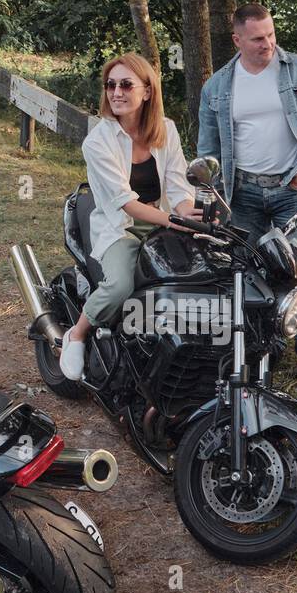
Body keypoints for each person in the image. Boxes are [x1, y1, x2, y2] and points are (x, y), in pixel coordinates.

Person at [196, 2, 297, 380]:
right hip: (242, 192)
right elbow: (208, 148)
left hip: (290, 189)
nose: (268, 43)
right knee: (250, 273)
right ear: (237, 39)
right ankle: (264, 348)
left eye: (271, 34)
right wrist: (210, 196)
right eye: (258, 38)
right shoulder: (217, 87)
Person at [60, 53, 199, 381]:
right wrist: (174, 222)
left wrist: (191, 216)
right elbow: (127, 203)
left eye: (125, 84)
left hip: (163, 221)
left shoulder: (166, 130)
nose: (116, 92)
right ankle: (77, 334)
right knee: (120, 285)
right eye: (110, 85)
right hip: (120, 226)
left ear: (148, 91)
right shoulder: (98, 141)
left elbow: (179, 187)